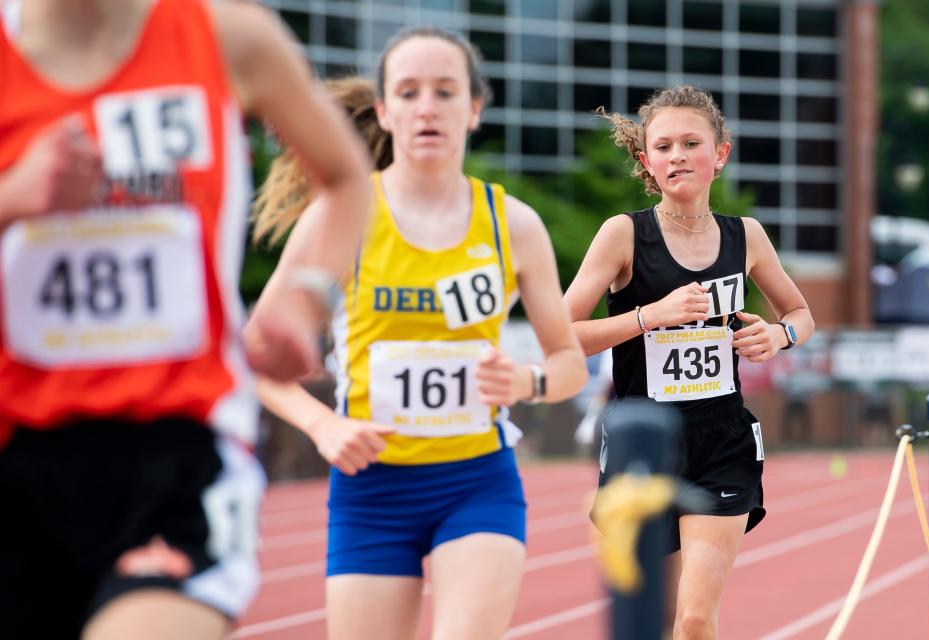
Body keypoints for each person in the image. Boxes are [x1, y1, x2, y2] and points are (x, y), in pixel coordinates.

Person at [0, 0, 371, 638]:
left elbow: (346, 177)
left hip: (181, 453)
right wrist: (14, 197)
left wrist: (305, 297)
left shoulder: (229, 36)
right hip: (18, 449)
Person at [253, 28, 588, 640]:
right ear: (384, 110)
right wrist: (325, 425)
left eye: (445, 91)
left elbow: (569, 361)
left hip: (477, 482)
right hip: (371, 491)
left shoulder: (513, 224)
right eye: (408, 93)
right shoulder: (340, 219)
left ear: (474, 108)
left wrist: (525, 380)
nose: (427, 107)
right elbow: (256, 359)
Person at [564, 85, 814, 640]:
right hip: (643, 441)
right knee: (650, 623)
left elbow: (800, 313)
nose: (677, 155)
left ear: (720, 154)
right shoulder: (623, 234)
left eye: (691, 143)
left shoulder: (744, 236)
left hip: (722, 438)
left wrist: (780, 335)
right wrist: (648, 316)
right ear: (646, 161)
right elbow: (561, 334)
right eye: (664, 146)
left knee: (696, 619)